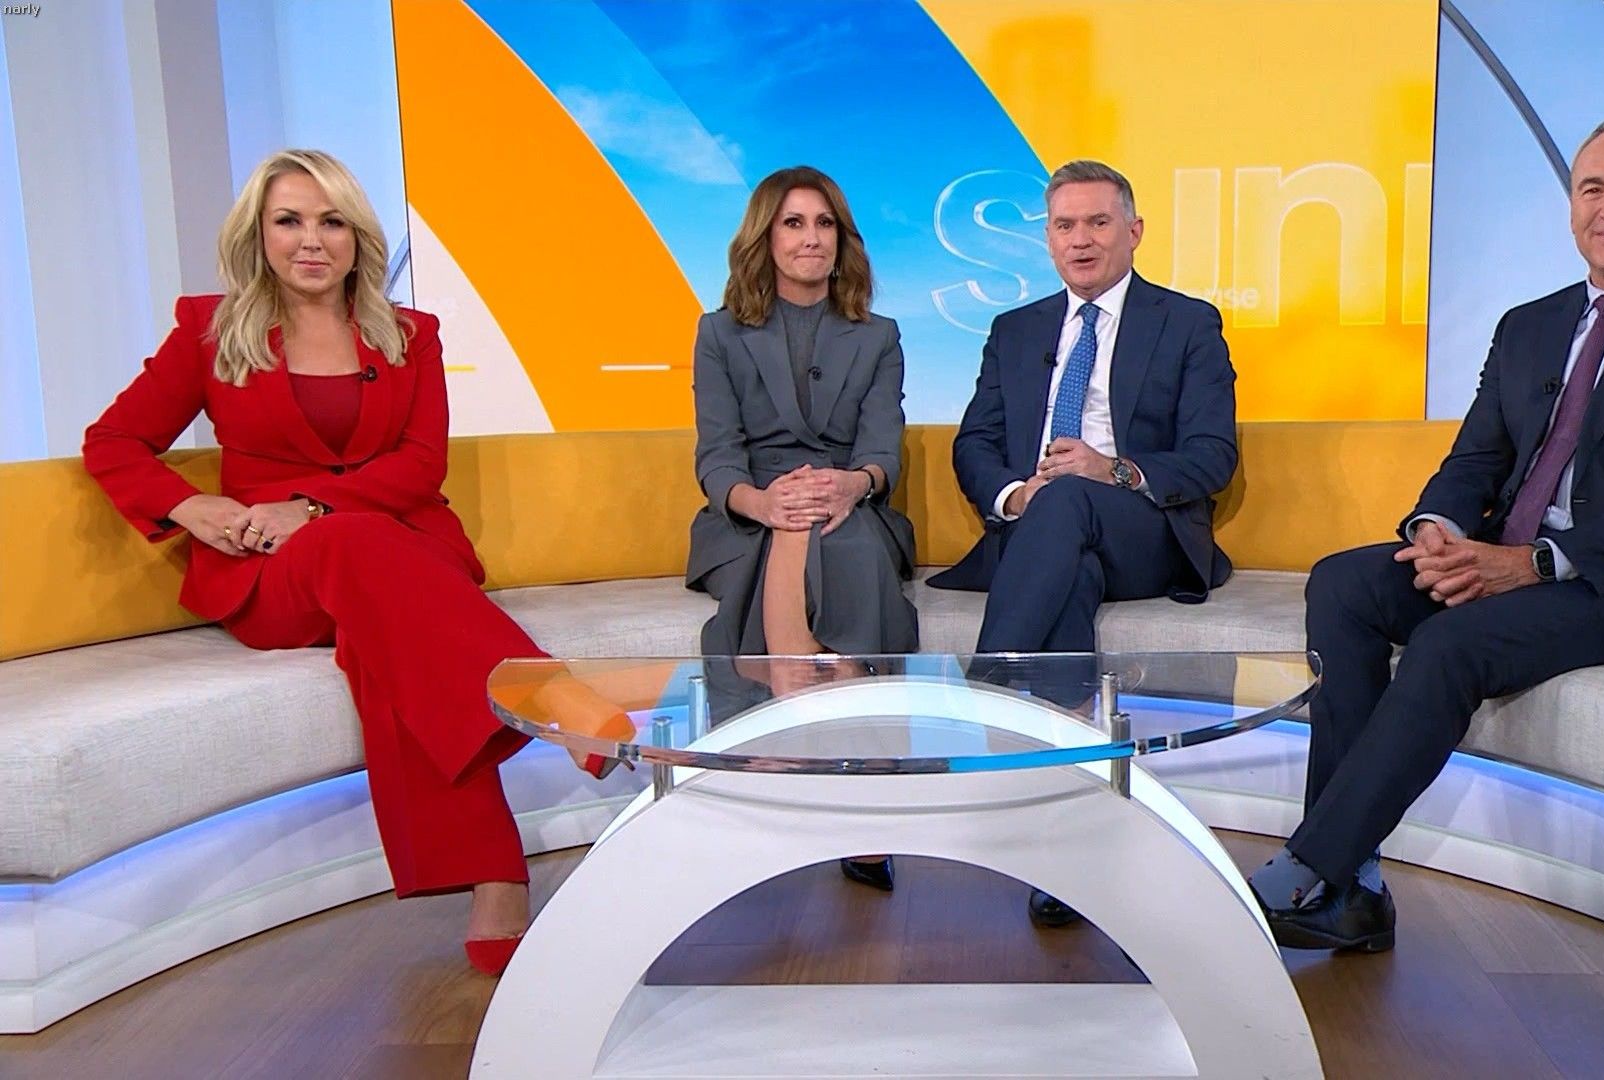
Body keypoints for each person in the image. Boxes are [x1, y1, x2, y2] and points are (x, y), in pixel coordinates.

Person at [82, 149, 631, 976]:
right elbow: (114, 440)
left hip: (401, 562)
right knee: (351, 544)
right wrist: (192, 507)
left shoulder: (410, 335)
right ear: (259, 235)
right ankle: (554, 699)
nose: (312, 240)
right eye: (290, 221)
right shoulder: (210, 329)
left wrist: (311, 506)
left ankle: (497, 882)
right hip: (272, 576)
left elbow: (420, 466)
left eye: (331, 221)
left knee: (384, 639)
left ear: (357, 238)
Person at [1252, 116, 1604, 952]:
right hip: (1515, 553)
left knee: (1451, 644)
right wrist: (1438, 532)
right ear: (1571, 207)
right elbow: (1476, 459)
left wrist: (1534, 562)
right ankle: (1351, 880)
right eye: (1593, 188)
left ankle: (1309, 867)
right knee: (1345, 581)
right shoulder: (1529, 324)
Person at [929, 159, 1237, 925]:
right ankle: (1071, 844)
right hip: (1047, 534)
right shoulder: (1016, 330)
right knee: (1068, 568)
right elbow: (976, 444)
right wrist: (1016, 495)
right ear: (1048, 239)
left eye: (1099, 222)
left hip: (1144, 529)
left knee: (1070, 498)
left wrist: (1113, 469)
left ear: (1134, 232)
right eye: (1065, 225)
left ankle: (984, 699)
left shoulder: (1186, 322)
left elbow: (1212, 455)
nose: (1081, 239)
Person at [686, 165, 917, 891]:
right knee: (799, 532)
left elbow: (883, 451)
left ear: (843, 240)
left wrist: (852, 483)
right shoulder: (720, 333)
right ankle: (852, 792)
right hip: (749, 516)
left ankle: (810, 771)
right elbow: (717, 453)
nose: (811, 238)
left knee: (847, 550)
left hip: (851, 507)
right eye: (794, 223)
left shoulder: (878, 336)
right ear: (766, 237)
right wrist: (762, 503)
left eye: (824, 224)